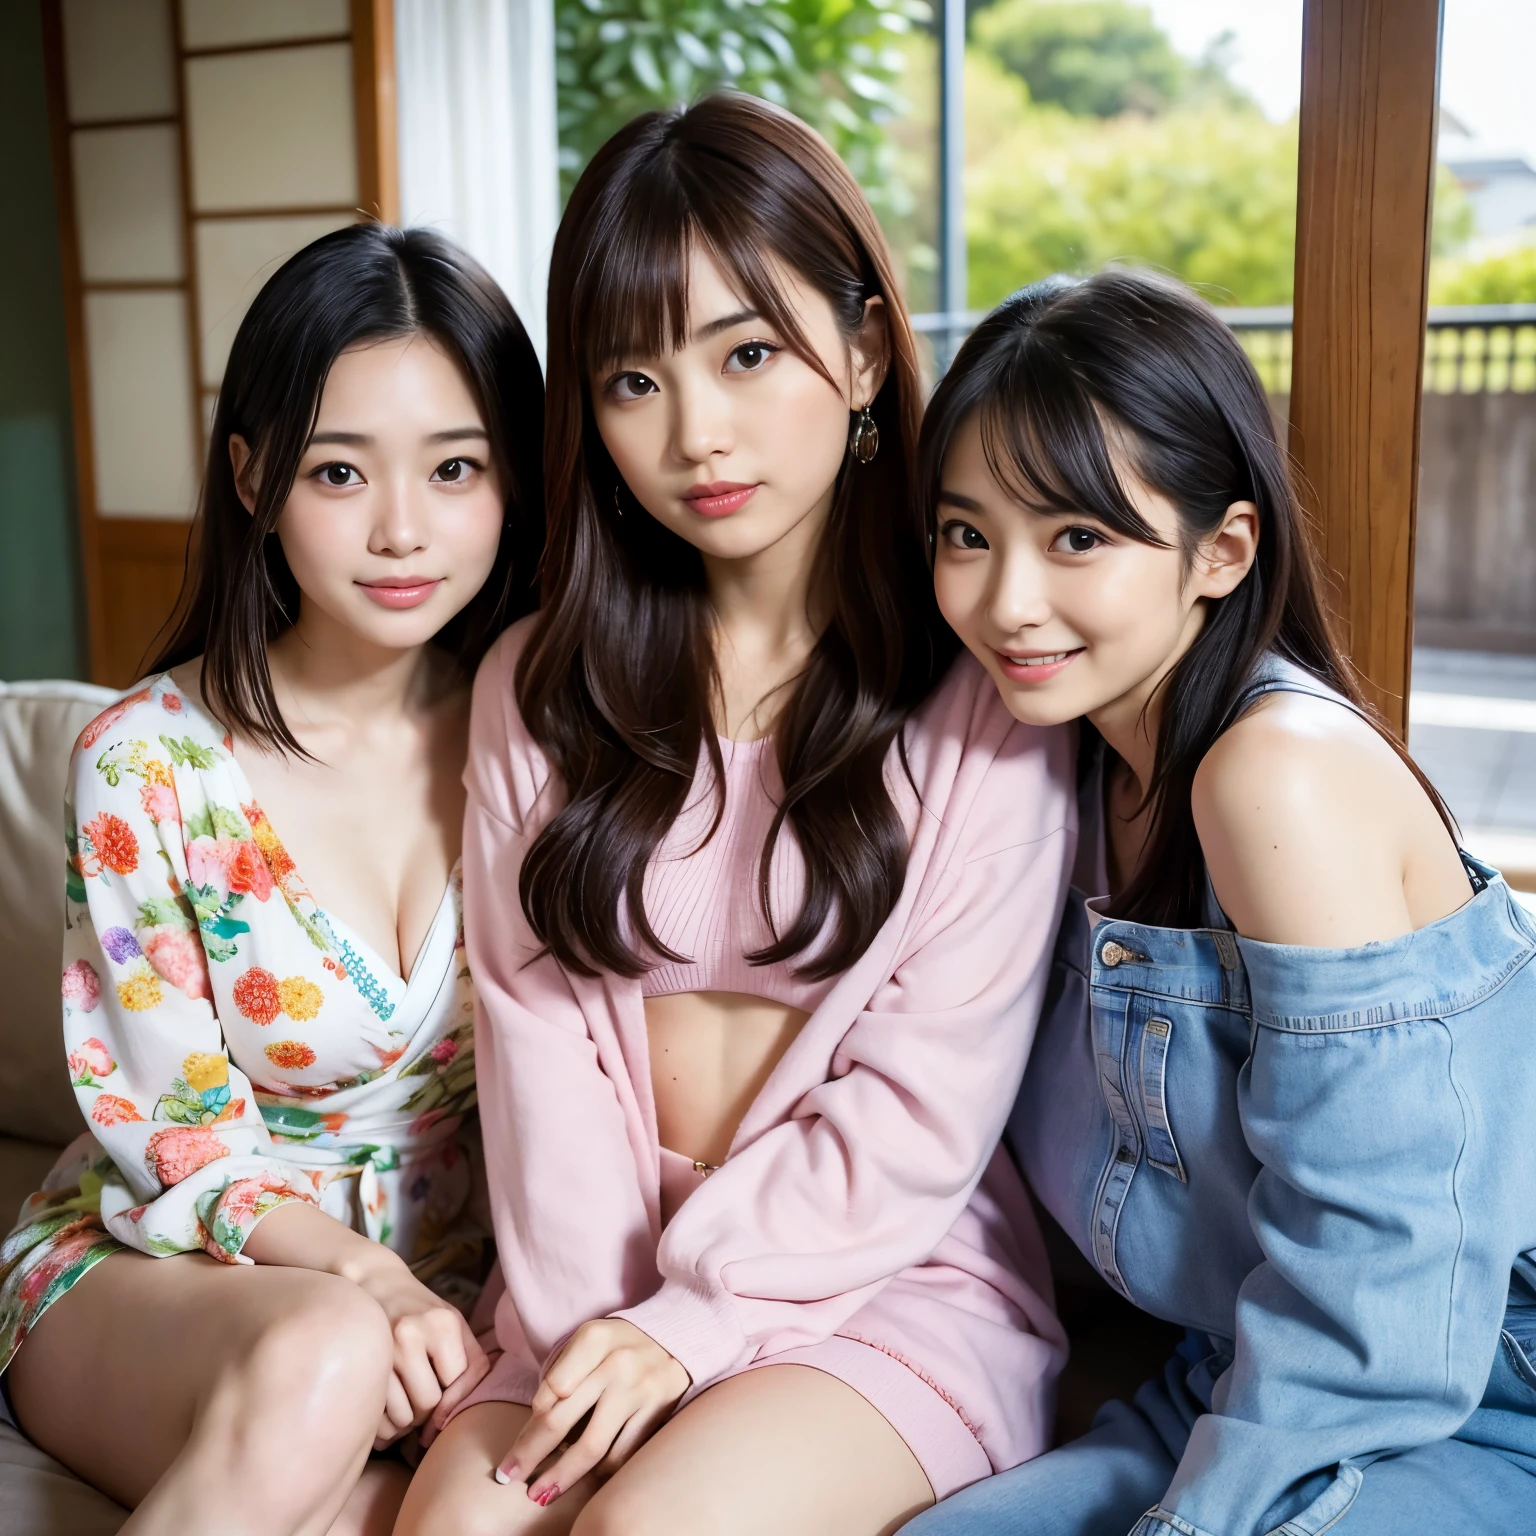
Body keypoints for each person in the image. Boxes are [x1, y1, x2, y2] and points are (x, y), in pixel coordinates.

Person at [395, 94, 1076, 1536]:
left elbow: (919, 1107)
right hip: (588, 1276)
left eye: (747, 353)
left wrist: (695, 1332)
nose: (695, 432)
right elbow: (539, 1050)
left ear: (866, 351)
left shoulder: (979, 695)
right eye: (632, 380)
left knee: (650, 1528)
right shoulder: (543, 682)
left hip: (879, 1277)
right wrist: (612, 1337)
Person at [902, 268, 1536, 1536]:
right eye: (968, 534)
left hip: (1468, 1385)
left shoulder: (1276, 776)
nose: (1006, 599)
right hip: (1233, 1368)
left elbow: (1385, 1288)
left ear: (1223, 550)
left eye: (1076, 537)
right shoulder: (1048, 761)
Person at [0, 223, 545, 1536]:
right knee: (323, 1352)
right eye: (339, 472)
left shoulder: (542, 733)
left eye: (456, 467)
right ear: (252, 479)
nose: (403, 529)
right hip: (167, 1268)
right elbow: (175, 1134)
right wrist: (364, 1279)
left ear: (514, 479)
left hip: (449, 1310)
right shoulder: (148, 766)